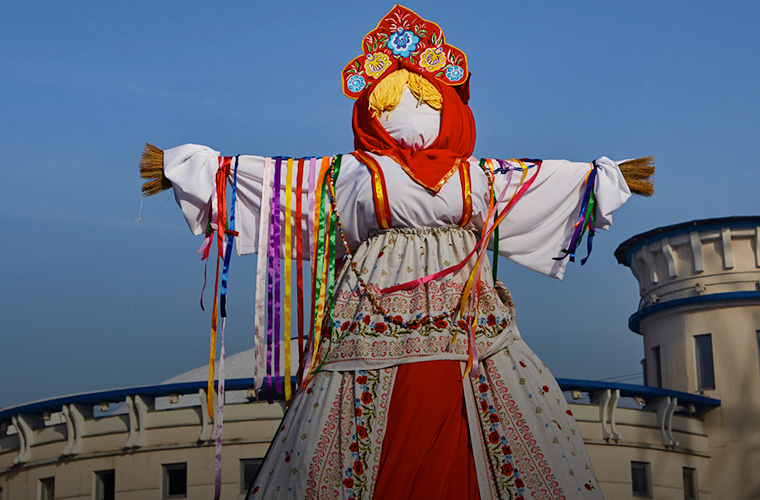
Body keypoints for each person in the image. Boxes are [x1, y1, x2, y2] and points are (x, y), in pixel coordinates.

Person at [146, 6, 650, 499]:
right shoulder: (352, 172)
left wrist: (604, 179)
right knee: (351, 406)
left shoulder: (475, 175)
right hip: (373, 302)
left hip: (465, 315)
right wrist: (198, 170)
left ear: (448, 110)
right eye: (388, 107)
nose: (406, 118)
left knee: (493, 397)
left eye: (423, 104)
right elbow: (282, 183)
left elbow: (539, 181)